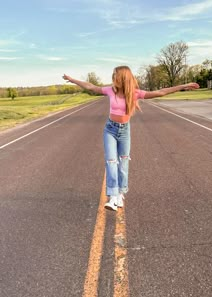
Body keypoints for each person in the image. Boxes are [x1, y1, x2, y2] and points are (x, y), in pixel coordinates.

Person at [63, 66, 199, 211]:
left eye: (115, 75)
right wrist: (72, 80)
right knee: (111, 162)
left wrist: (184, 86)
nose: (113, 78)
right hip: (110, 129)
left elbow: (160, 92)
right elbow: (91, 86)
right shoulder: (110, 91)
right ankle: (113, 196)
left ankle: (121, 193)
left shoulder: (135, 93)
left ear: (122, 78)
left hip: (124, 131)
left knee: (123, 163)